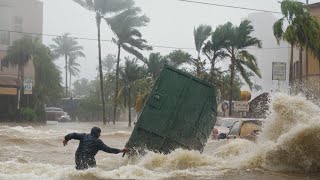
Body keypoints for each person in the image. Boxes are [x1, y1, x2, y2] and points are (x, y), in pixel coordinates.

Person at [63, 126, 129, 170]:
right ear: (96, 133)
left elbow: (73, 134)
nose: (99, 135)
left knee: (79, 170)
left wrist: (66, 139)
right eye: (99, 133)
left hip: (78, 156)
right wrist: (121, 150)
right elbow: (108, 149)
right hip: (88, 158)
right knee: (92, 171)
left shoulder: (84, 135)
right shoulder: (98, 142)